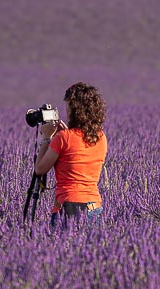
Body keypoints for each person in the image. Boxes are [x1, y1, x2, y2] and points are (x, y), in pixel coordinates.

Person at [33, 82, 108, 231]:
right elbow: (78, 148)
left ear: (76, 110)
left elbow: (40, 169)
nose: (66, 112)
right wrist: (68, 133)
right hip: (94, 206)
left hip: (68, 206)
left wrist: (47, 138)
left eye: (68, 107)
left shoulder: (63, 138)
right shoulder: (101, 137)